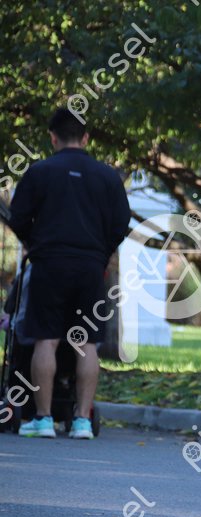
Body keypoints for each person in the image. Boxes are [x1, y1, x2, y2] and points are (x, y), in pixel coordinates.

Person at [9, 108, 131, 439]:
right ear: (86, 138)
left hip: (49, 264)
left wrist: (35, 245)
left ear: (53, 138)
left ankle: (43, 418)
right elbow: (121, 224)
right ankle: (81, 421)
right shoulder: (107, 177)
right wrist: (101, 253)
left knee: (46, 339)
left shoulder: (39, 172)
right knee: (86, 342)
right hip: (90, 266)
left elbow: (18, 218)